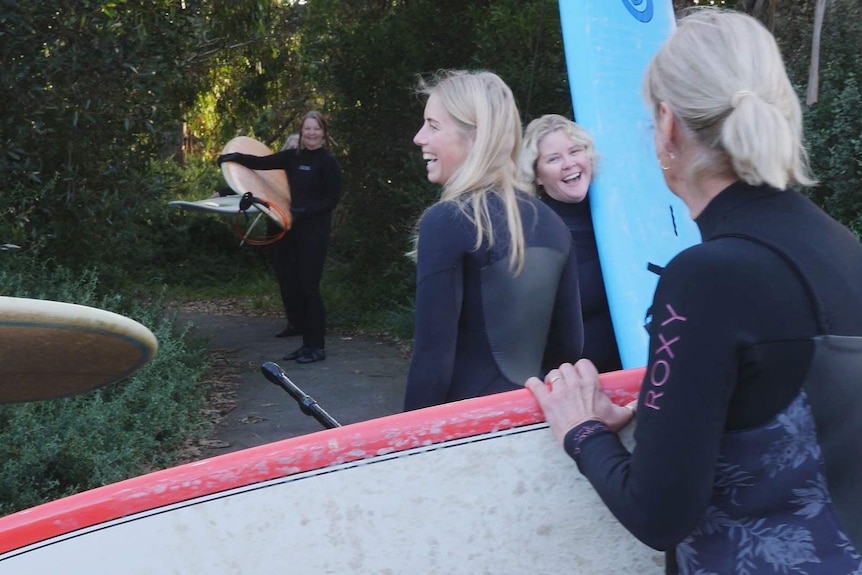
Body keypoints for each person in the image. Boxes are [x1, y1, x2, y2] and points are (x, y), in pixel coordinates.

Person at [527, 8, 862, 574]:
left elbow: (659, 513)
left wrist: (581, 429)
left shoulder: (707, 277)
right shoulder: (841, 246)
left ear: (666, 125)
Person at [403, 70, 583, 411]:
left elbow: (432, 359)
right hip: (534, 423)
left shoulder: (449, 221)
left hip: (466, 430)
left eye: (433, 125)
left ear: (474, 136)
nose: (419, 137)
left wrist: (403, 450)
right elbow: (569, 348)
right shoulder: (552, 223)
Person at [219, 111, 341, 364]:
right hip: (292, 229)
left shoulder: (328, 162)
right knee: (296, 285)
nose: (311, 134)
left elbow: (331, 200)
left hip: (314, 232)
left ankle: (317, 346)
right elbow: (261, 163)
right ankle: (306, 344)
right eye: (307, 129)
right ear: (302, 131)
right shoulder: (292, 157)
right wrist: (233, 157)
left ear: (323, 133)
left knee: (309, 288)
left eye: (316, 129)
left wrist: (307, 211)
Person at [519, 115, 622, 373]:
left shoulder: (621, 216)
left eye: (575, 151)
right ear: (537, 176)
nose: (569, 163)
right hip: (582, 388)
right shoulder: (536, 234)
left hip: (644, 374)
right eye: (553, 159)